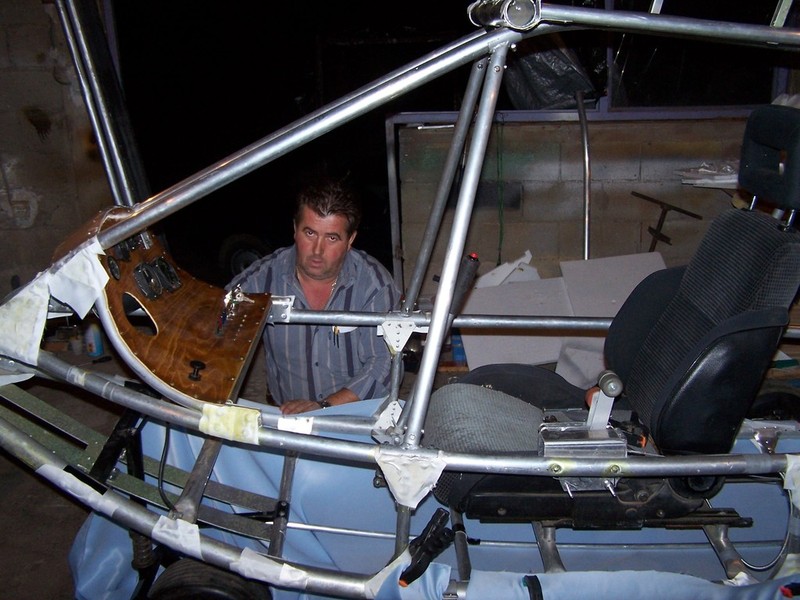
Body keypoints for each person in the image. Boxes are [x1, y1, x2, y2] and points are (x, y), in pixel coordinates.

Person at [228, 176, 402, 415]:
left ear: (350, 240)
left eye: (332, 238)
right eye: (310, 233)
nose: (318, 250)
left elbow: (385, 362)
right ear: (295, 229)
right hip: (286, 414)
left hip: (355, 416)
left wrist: (324, 407)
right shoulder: (262, 278)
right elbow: (215, 323)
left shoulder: (374, 285)